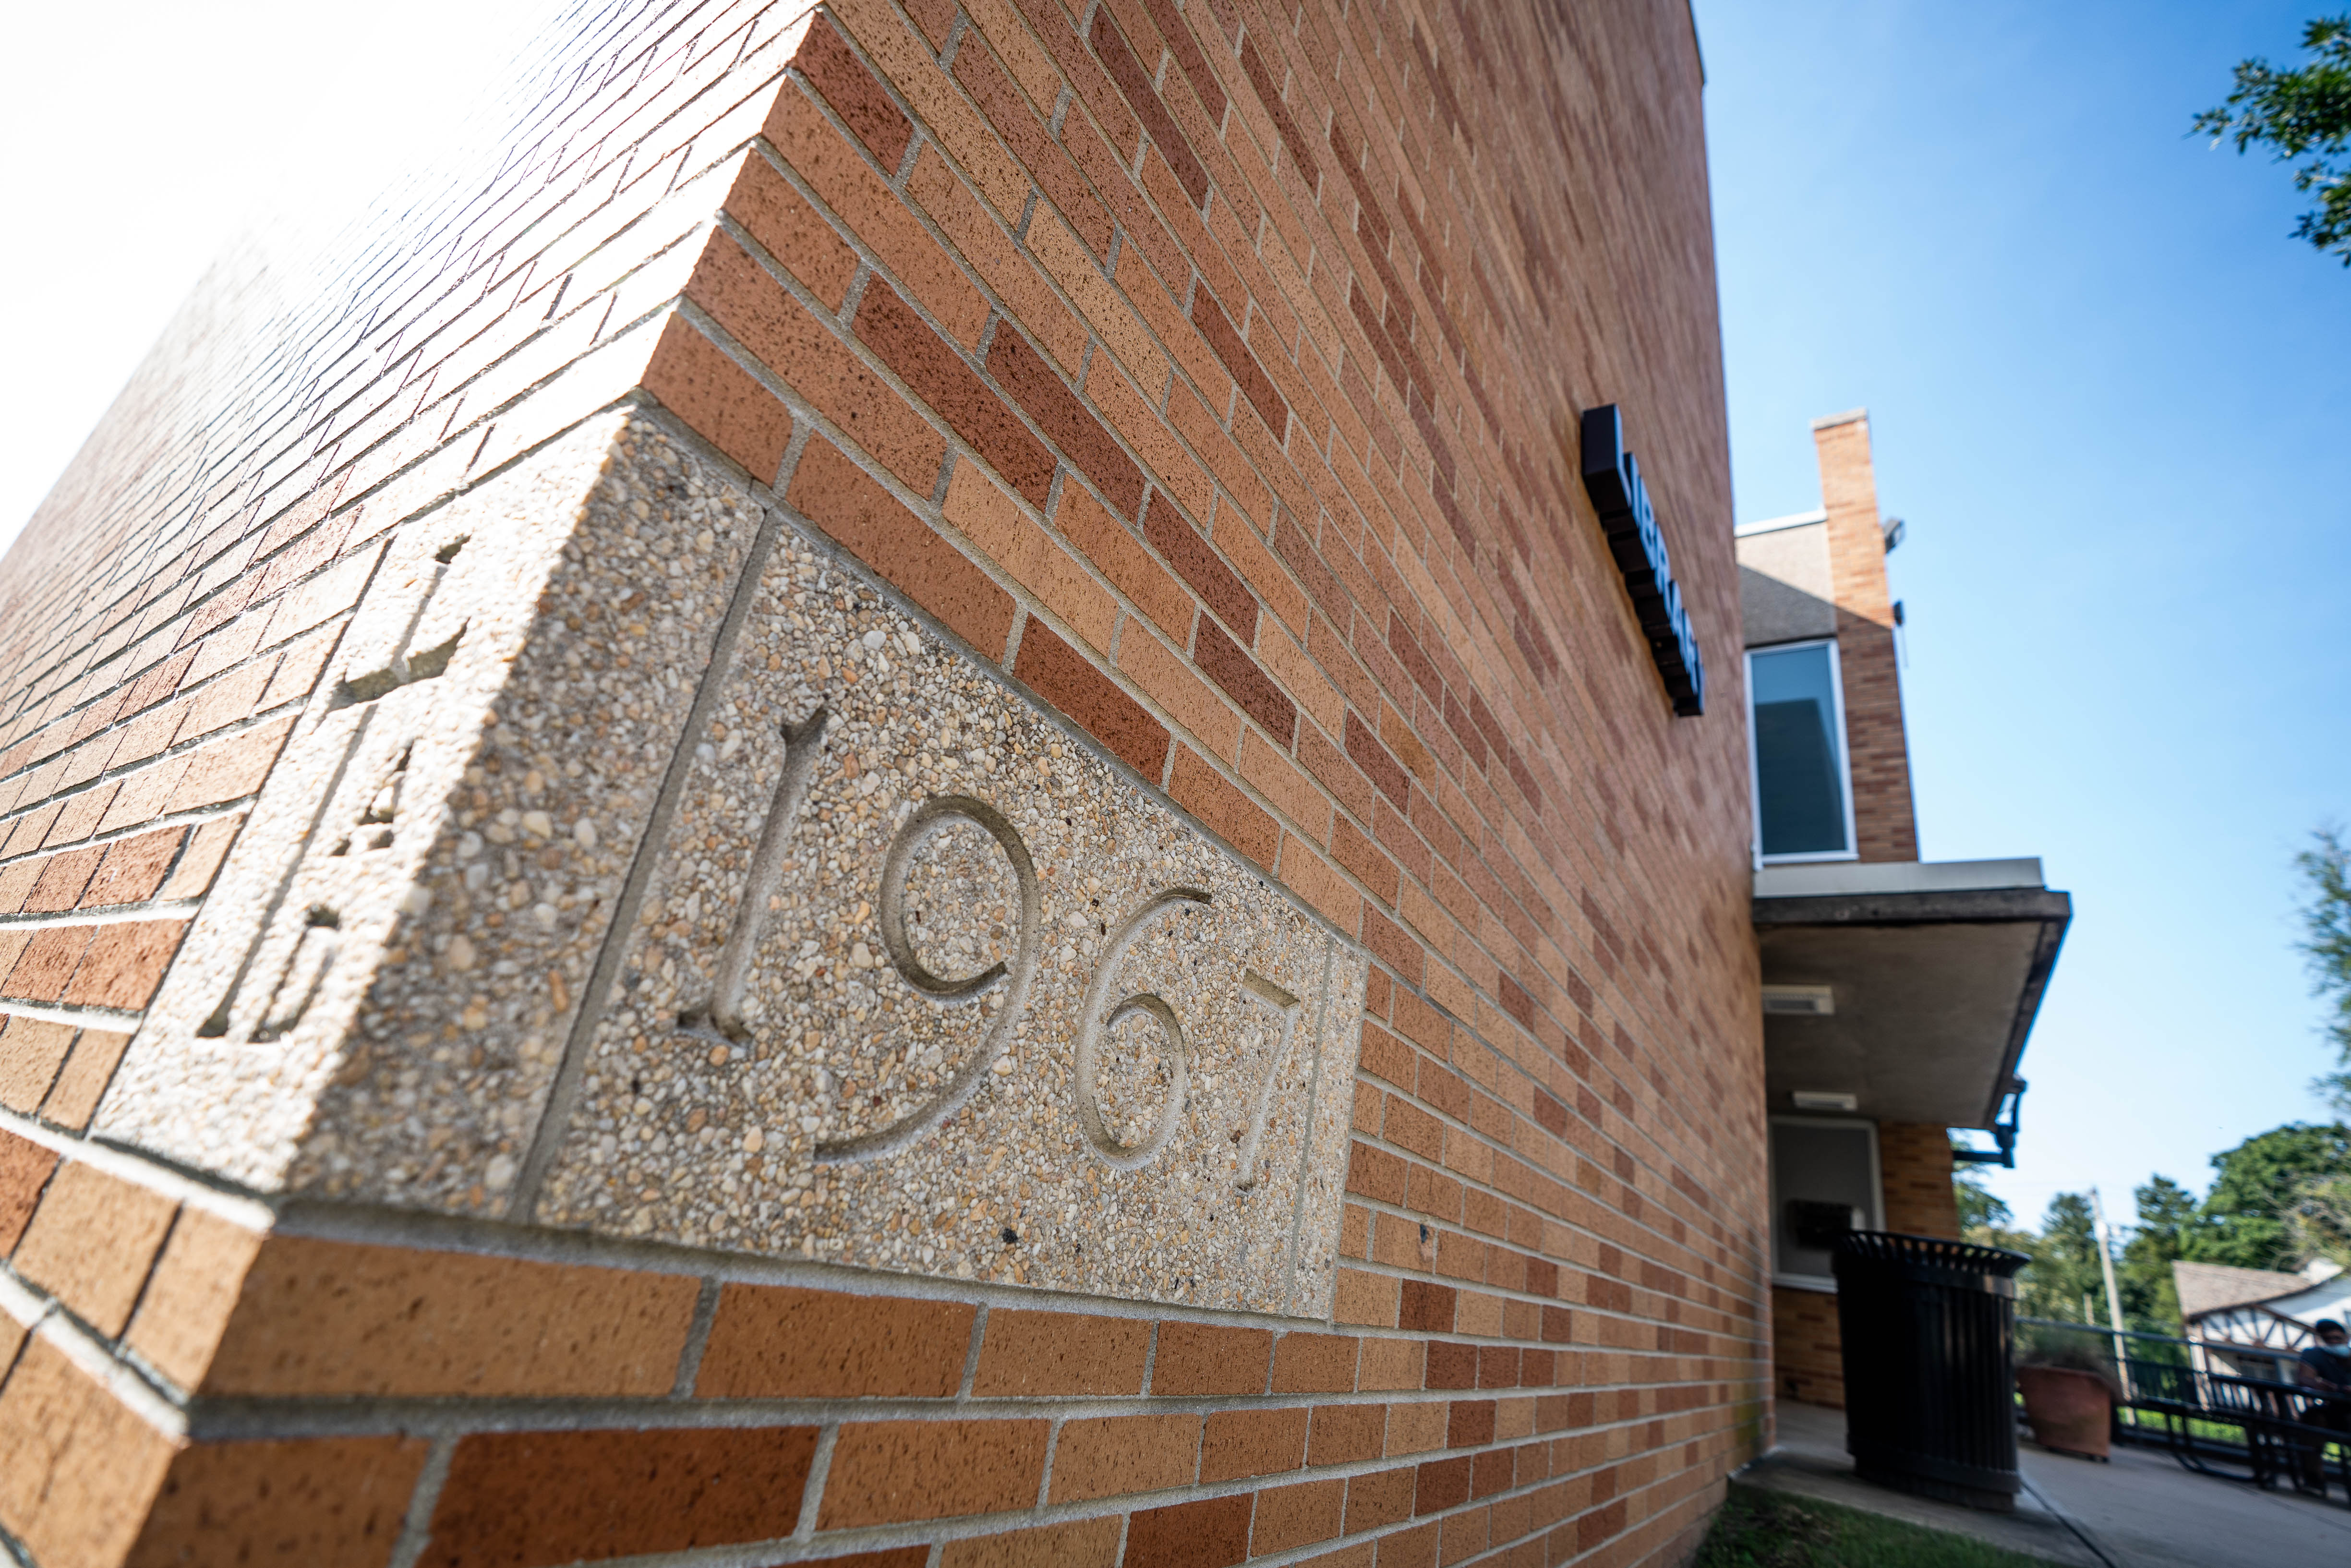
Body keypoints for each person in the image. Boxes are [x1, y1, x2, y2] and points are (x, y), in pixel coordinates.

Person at [2293, 1319, 2351, 1493]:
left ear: (2347, 1338)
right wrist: (2321, 1386)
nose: (2333, 1343)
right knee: (2312, 1420)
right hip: (2335, 1411)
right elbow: (2304, 1379)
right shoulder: (2315, 1354)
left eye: (2337, 1338)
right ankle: (2314, 1480)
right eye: (2328, 1339)